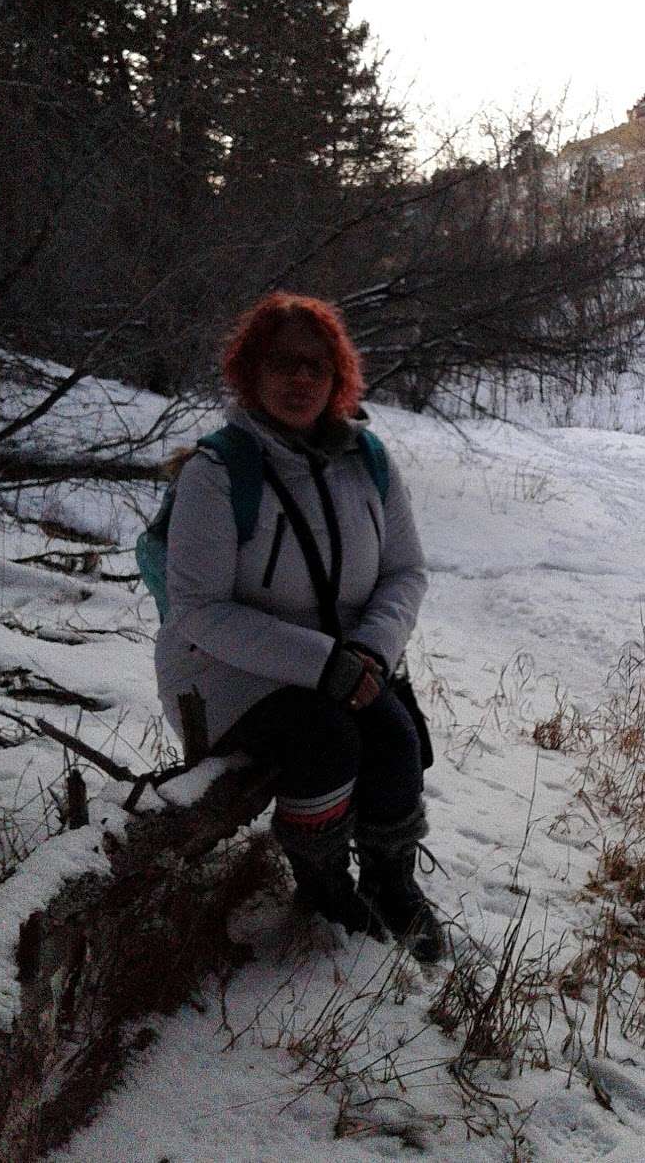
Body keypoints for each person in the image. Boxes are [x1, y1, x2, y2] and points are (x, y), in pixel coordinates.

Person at [154, 292, 442, 962]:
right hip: (223, 678)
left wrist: (369, 650)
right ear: (249, 373)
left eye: (315, 365)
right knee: (326, 735)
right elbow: (199, 611)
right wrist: (325, 663)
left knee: (396, 736)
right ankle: (322, 882)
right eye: (282, 363)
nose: (299, 378)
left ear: (338, 376)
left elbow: (406, 571)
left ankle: (392, 883)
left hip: (344, 664)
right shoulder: (218, 471)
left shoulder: (366, 460)